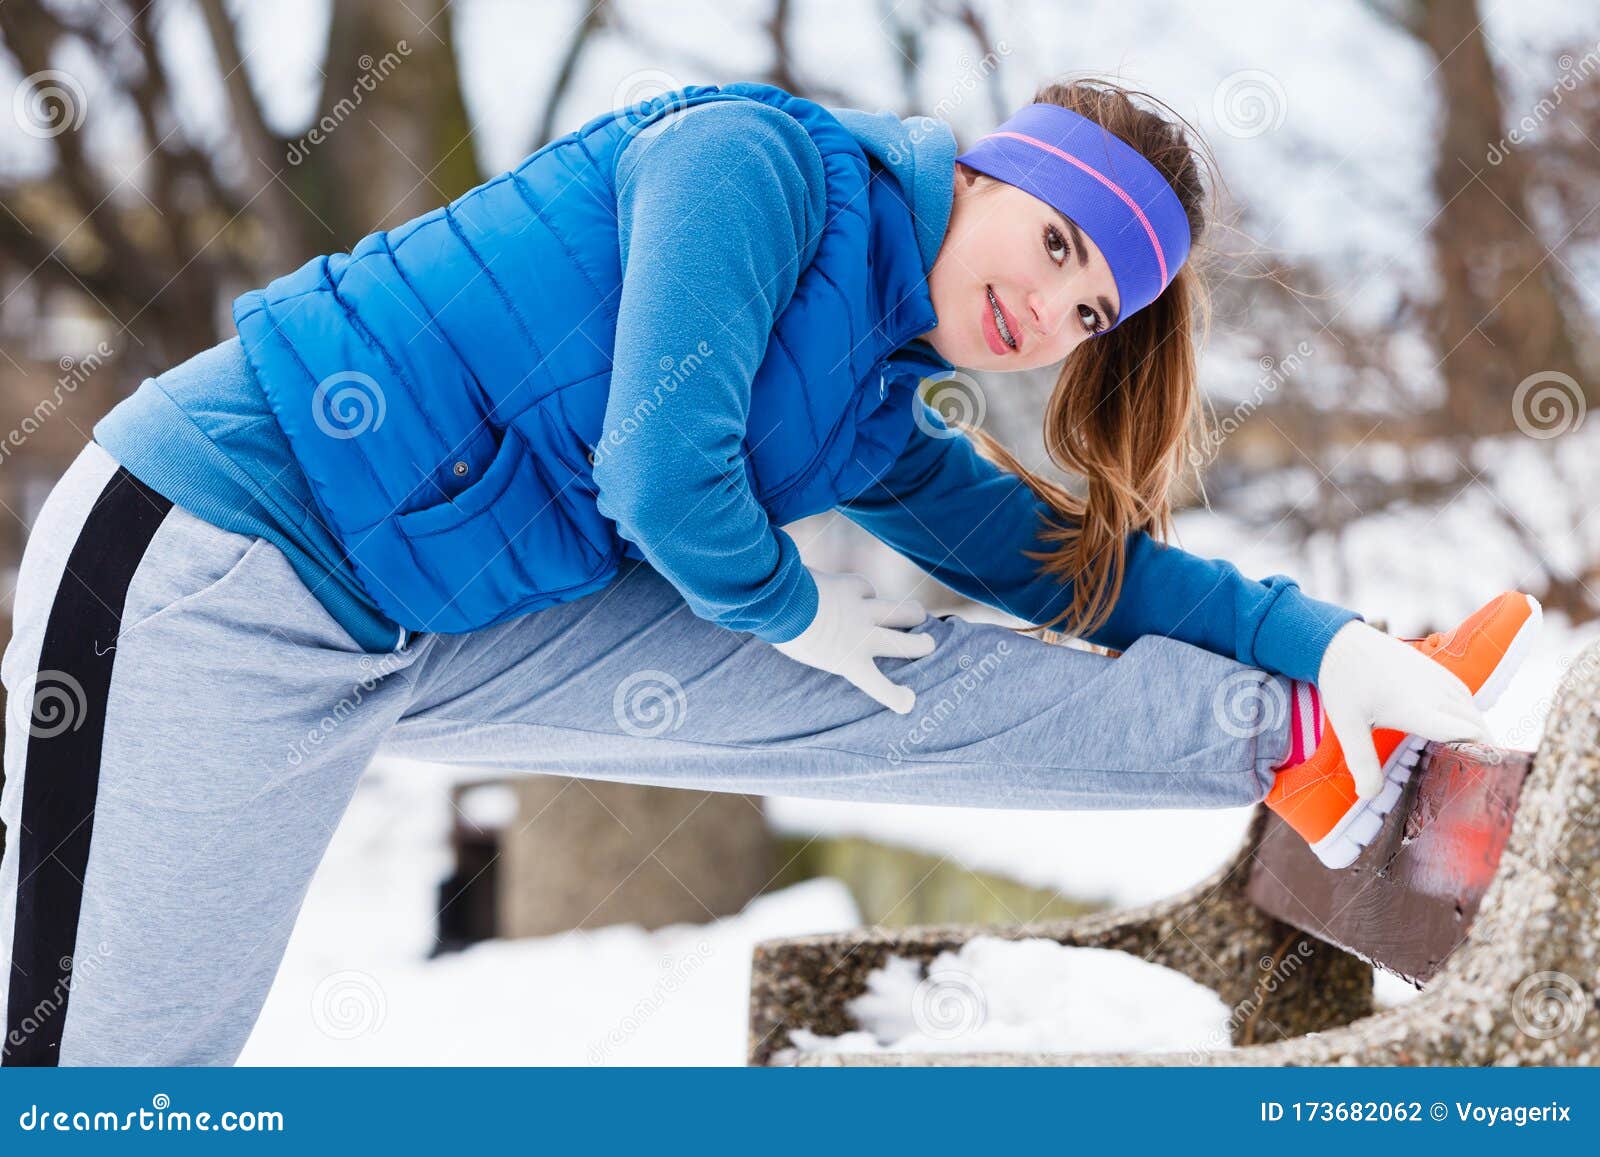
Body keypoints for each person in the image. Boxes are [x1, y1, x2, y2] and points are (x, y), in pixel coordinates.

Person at [0, 78, 1538, 1066]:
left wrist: (1324, 644)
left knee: (884, 679)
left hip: (423, 605)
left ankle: (1290, 746)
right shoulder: (754, 163)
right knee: (118, 1079)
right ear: (990, 174)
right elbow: (662, 467)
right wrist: (793, 604)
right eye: (1060, 242)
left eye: (1096, 312)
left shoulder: (874, 399)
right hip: (213, 553)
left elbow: (1064, 569)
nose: (1060, 308)